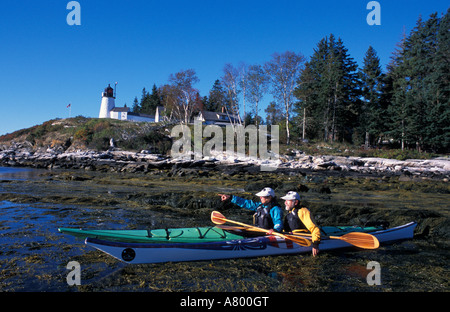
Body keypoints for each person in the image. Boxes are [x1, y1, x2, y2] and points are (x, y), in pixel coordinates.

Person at [219, 187, 283, 233]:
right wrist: (231, 197)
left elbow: (278, 222)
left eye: (263, 196)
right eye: (260, 196)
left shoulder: (275, 209)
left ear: (270, 197)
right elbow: (246, 203)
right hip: (257, 230)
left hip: (266, 233)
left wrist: (275, 230)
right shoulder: (259, 206)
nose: (260, 197)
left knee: (239, 231)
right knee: (238, 227)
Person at [281, 191, 321, 256]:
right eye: (285, 200)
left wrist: (315, 244)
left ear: (296, 202)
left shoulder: (302, 211)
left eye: (288, 200)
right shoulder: (288, 214)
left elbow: (314, 229)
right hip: (292, 236)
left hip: (304, 237)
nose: (285, 203)